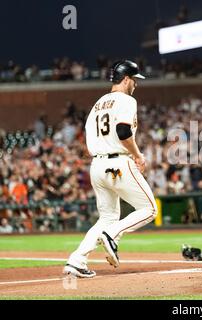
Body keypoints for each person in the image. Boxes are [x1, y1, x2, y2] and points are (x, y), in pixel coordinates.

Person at [63, 60, 158, 278]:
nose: (135, 84)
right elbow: (123, 131)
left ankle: (76, 261)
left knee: (107, 216)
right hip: (118, 163)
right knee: (150, 209)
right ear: (125, 79)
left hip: (97, 165)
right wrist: (137, 154)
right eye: (134, 80)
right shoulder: (126, 99)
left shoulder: (97, 104)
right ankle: (112, 234)